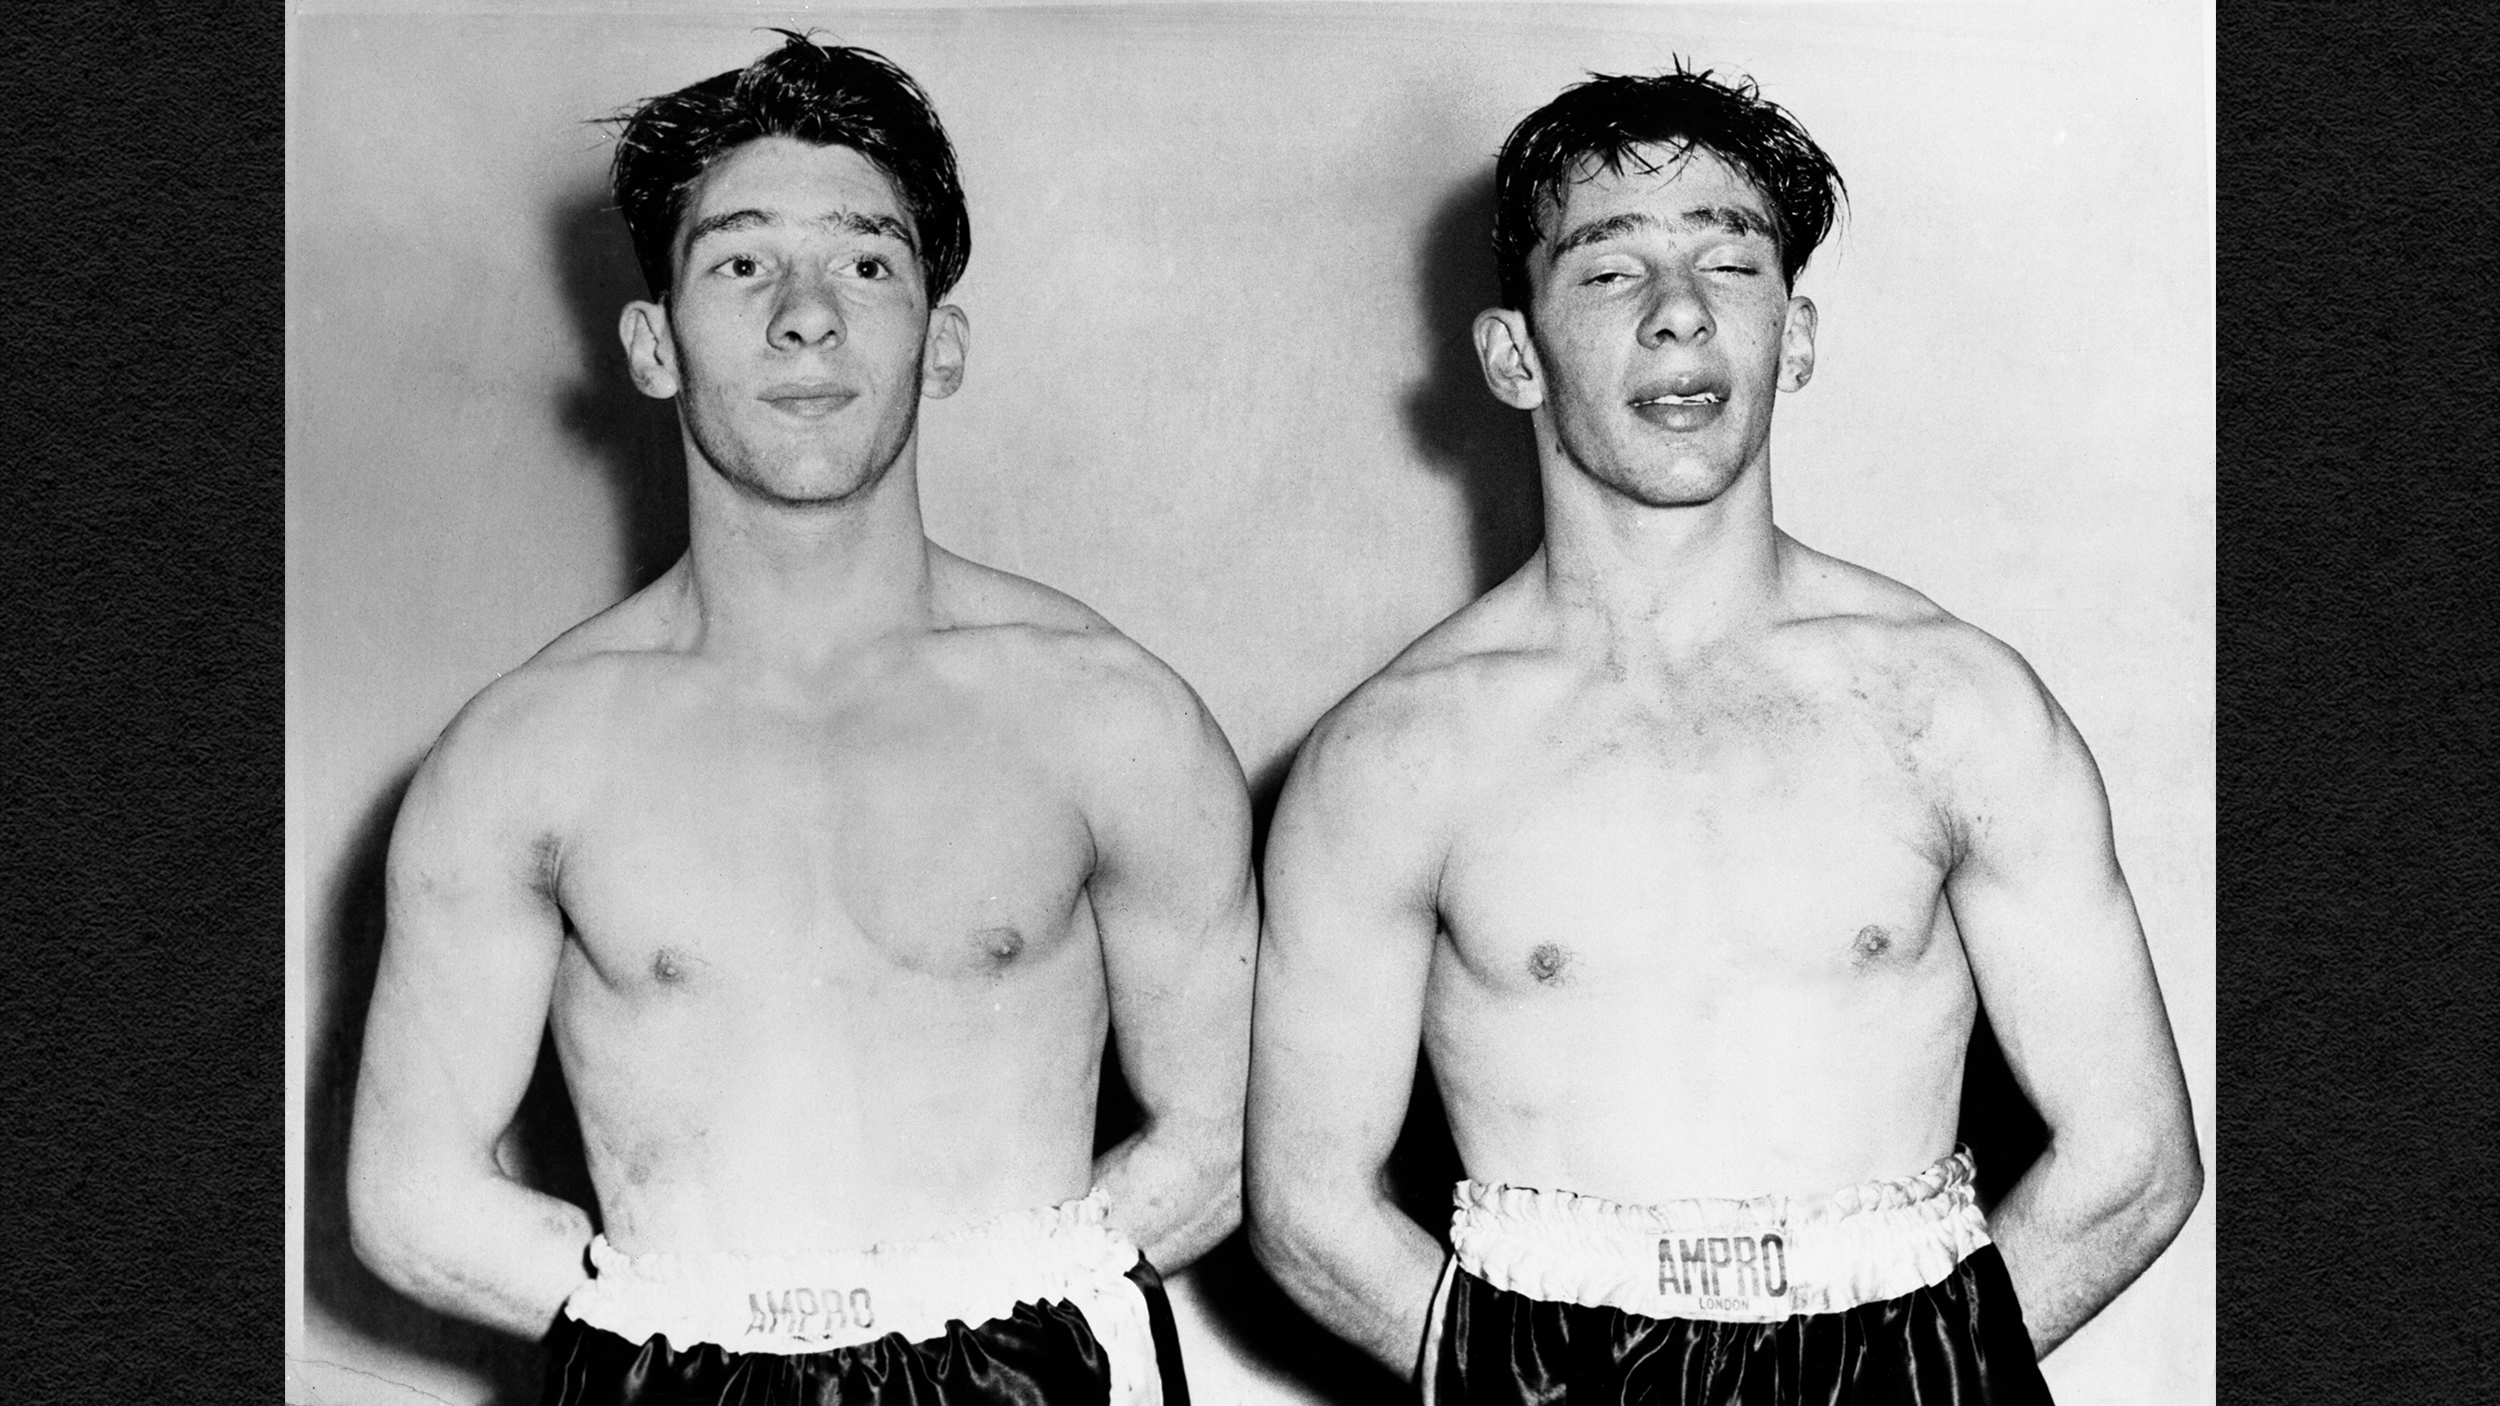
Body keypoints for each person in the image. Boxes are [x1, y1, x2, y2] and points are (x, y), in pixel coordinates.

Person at [1245, 65, 2201, 1404]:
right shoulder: (1394, 756)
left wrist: (1925, 1379)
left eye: (1729, 263)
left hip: (1908, 1355)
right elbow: (1306, 1206)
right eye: (1610, 270)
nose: (1681, 312)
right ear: (1514, 354)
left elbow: (2137, 1157)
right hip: (1547, 1364)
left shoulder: (1956, 704)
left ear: (1793, 335)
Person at [347, 34, 1256, 1406]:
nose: (808, 315)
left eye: (867, 261)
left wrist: (992, 1317)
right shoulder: (522, 756)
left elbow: (1227, 1130)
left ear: (939, 341)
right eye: (742, 261)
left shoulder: (1110, 716)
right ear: (653, 343)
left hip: (1029, 1367)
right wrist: (697, 1328)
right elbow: (411, 1192)